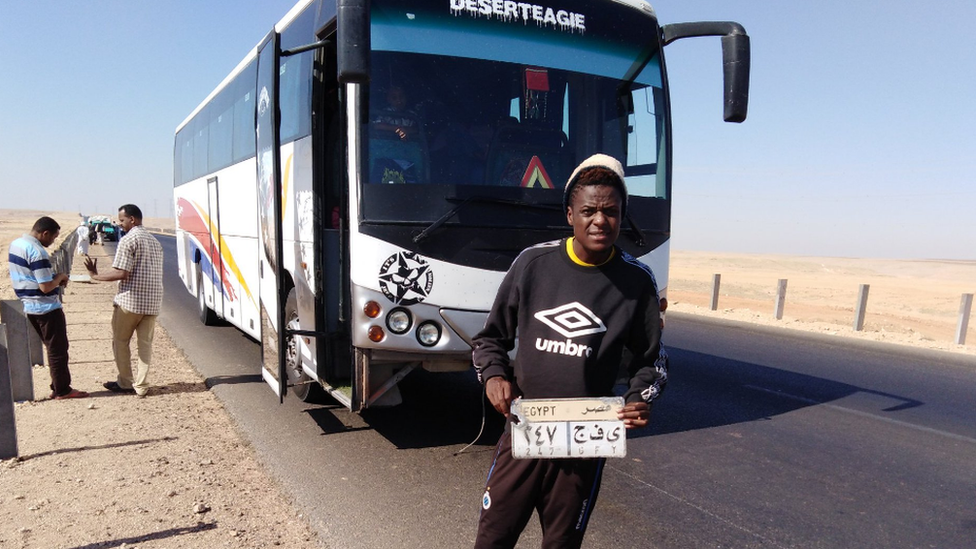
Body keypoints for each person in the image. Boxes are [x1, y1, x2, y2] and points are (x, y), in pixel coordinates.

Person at [471, 154, 669, 548]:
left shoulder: (636, 281)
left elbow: (652, 361)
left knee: (562, 543)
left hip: (585, 436)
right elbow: (490, 339)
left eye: (610, 212)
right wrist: (494, 375)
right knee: (493, 538)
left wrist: (638, 399)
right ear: (569, 214)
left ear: (621, 215)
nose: (600, 220)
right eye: (589, 210)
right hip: (527, 427)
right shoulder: (533, 265)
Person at [84, 204, 163, 397]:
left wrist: (96, 276)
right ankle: (142, 386)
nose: (119, 224)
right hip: (152, 303)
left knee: (120, 341)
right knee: (145, 346)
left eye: (121, 220)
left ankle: (125, 382)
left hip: (130, 302)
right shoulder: (154, 241)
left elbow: (122, 272)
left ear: (132, 220)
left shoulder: (128, 240)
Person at [8, 216, 89, 399]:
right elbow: (45, 286)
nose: (52, 242)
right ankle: (62, 390)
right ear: (44, 233)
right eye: (52, 237)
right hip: (45, 307)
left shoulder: (16, 244)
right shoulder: (37, 252)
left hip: (28, 305)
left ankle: (58, 386)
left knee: (52, 348)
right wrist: (60, 277)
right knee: (57, 349)